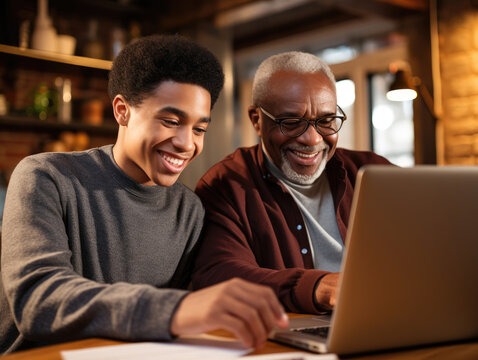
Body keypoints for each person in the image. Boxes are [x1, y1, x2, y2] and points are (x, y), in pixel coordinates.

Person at [0, 35, 288, 355]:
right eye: (170, 121)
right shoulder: (45, 177)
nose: (186, 143)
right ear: (122, 111)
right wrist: (178, 309)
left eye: (199, 129)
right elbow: (37, 301)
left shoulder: (190, 210)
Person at [192, 51, 392, 314]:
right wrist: (316, 287)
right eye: (292, 122)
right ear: (257, 120)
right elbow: (218, 274)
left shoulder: (372, 172)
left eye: (326, 121)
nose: (312, 139)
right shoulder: (226, 185)